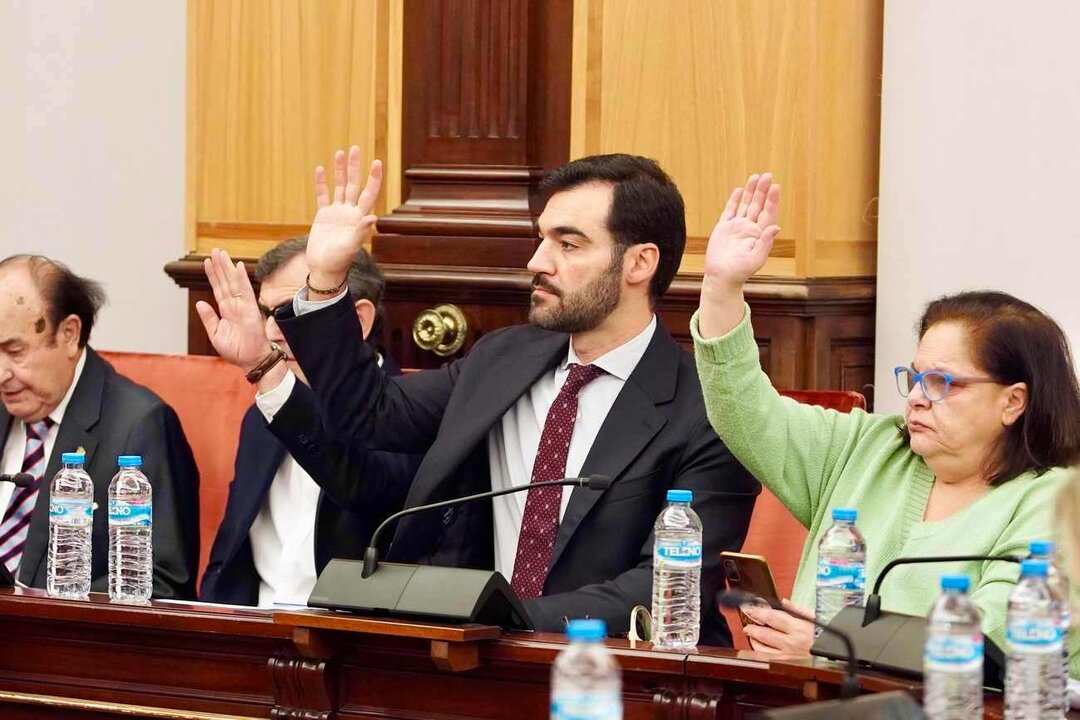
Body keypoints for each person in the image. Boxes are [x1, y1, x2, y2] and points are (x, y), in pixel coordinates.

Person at [197, 148, 760, 645]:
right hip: (467, 665)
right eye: (542, 239)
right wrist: (324, 281)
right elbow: (371, 417)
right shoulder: (504, 358)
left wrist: (497, 619)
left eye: (568, 244)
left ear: (639, 262)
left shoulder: (707, 411)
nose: (538, 262)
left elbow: (667, 583)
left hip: (617, 677)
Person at [692, 173, 1080, 673]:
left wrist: (834, 644)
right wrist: (723, 284)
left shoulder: (1056, 499)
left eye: (942, 383)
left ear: (1013, 401)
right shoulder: (867, 448)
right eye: (915, 378)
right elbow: (743, 412)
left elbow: (993, 643)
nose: (917, 398)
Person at [201, 239, 420, 606]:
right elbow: (228, 557)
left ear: (358, 320)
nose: (271, 331)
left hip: (347, 642)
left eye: (290, 311)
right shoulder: (261, 416)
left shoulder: (409, 416)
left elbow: (363, 489)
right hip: (252, 633)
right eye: (266, 313)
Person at [0, 255, 199, 597]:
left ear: (68, 335)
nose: (1, 374)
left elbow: (163, 580)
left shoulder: (140, 425)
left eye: (15, 351)